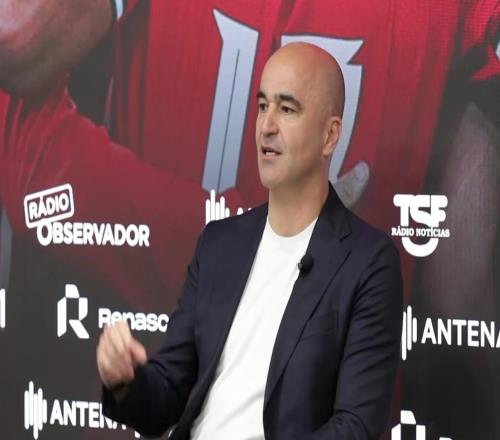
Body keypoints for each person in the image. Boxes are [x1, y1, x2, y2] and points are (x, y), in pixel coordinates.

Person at [96, 43, 403, 440]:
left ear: (330, 136)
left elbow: (356, 426)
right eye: (262, 106)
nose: (266, 126)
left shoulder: (368, 262)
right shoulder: (219, 244)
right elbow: (167, 395)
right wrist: (125, 381)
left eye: (287, 109)